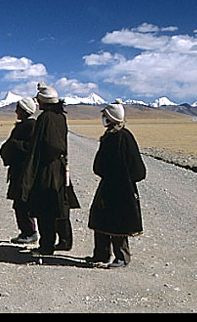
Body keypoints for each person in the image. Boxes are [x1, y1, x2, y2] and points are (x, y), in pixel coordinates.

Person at [20, 83, 80, 256]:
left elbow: (39, 147)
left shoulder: (45, 118)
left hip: (47, 169)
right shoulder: (61, 116)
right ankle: (65, 240)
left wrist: (30, 172)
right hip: (61, 167)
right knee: (61, 204)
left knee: (45, 207)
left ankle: (46, 246)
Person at [87, 99, 146, 269]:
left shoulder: (123, 137)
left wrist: (124, 180)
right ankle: (101, 255)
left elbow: (138, 169)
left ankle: (122, 257)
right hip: (109, 186)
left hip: (122, 189)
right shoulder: (110, 136)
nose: (104, 118)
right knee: (101, 220)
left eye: (105, 115)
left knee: (118, 223)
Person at [0, 98, 38, 244]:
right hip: (18, 170)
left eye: (18, 109)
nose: (16, 111)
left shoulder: (31, 126)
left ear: (24, 110)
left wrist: (14, 145)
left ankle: (30, 232)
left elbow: (31, 148)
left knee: (23, 202)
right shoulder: (25, 125)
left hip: (24, 171)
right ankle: (26, 231)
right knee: (19, 202)